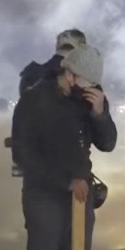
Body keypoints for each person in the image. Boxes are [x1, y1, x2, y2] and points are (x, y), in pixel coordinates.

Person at [12, 44, 117, 250]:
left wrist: (100, 114)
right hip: (44, 194)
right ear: (69, 74)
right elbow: (23, 155)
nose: (89, 89)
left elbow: (107, 144)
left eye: (94, 85)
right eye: (85, 83)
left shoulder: (90, 101)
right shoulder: (35, 100)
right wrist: (66, 182)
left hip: (81, 194)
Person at [12, 29, 89, 172]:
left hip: (38, 176)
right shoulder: (84, 78)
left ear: (57, 47)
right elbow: (106, 142)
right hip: (73, 173)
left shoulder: (32, 75)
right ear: (82, 50)